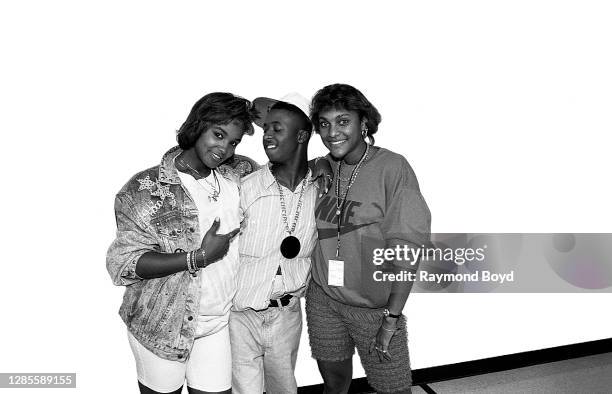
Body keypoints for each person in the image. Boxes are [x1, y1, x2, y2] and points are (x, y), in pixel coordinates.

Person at [106, 92, 258, 394]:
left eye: (234, 141)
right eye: (218, 134)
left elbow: (286, 168)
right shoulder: (145, 189)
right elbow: (123, 263)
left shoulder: (239, 174)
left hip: (219, 324)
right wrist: (198, 257)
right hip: (163, 326)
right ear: (197, 125)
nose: (224, 148)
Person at [306, 84, 431, 394]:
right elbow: (266, 110)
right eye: (324, 123)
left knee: (394, 390)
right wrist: (318, 162)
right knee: (335, 385)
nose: (332, 132)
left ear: (364, 123)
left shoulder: (392, 168)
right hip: (323, 299)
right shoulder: (323, 167)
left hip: (375, 310)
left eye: (343, 121)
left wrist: (391, 318)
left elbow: (407, 251)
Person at [229, 93, 320, 394]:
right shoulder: (245, 188)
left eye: (277, 128)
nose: (267, 135)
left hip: (287, 316)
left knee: (284, 389)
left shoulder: (322, 192)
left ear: (301, 135)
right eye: (266, 128)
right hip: (240, 316)